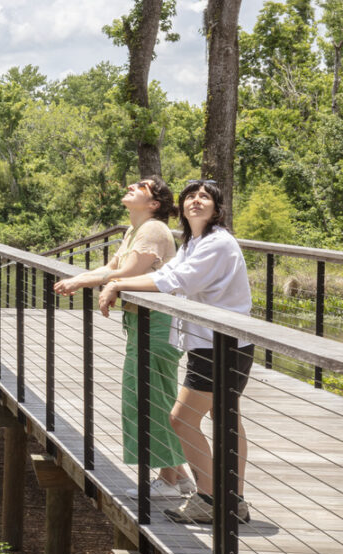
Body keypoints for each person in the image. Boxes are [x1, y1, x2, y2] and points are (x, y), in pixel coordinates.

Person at [100, 179, 254, 525]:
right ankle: (233, 501)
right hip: (214, 343)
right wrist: (118, 283)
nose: (196, 201)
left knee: (182, 419)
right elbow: (169, 272)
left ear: (217, 208)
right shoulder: (194, 243)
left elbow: (173, 281)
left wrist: (118, 284)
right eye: (191, 196)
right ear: (182, 206)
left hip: (222, 345)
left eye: (205, 197)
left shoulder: (217, 244)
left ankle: (211, 498)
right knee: (225, 421)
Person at [53, 178, 191, 499]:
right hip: (140, 322)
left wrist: (95, 284)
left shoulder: (155, 230)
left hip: (158, 324)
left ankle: (169, 482)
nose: (131, 185)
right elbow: (112, 267)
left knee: (153, 396)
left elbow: (127, 274)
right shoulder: (133, 230)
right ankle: (179, 475)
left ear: (154, 204)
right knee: (143, 393)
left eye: (141, 186)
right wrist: (79, 279)